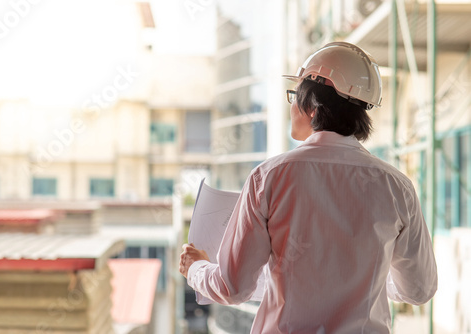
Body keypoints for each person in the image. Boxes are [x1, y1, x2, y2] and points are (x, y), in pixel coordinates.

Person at [179, 42, 437, 333]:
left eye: (294, 95)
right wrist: (363, 277)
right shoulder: (396, 187)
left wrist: (196, 268)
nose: (292, 105)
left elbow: (233, 287)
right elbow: (419, 289)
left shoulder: (269, 177)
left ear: (313, 106)